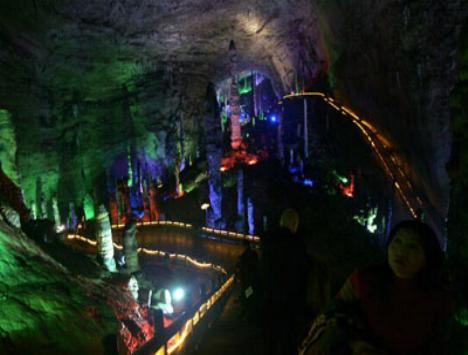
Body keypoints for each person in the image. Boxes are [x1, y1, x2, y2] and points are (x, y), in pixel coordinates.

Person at [301, 220, 452, 355]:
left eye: (412, 246)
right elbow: (331, 317)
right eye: (397, 241)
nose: (401, 252)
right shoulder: (364, 281)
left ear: (427, 257)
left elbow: (438, 345)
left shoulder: (437, 299)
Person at [262, 208, 309, 354]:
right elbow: (302, 274)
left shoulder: (268, 242)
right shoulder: (298, 245)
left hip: (270, 297)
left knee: (271, 338)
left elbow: (262, 269)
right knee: (288, 340)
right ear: (294, 224)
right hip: (290, 300)